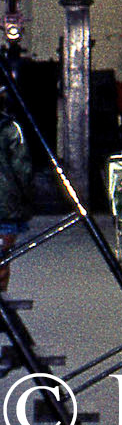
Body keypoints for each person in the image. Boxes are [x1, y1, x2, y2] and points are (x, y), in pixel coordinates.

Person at [0, 94, 36, 294]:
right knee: (2, 263)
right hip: (5, 207)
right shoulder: (11, 129)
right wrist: (26, 202)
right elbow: (23, 170)